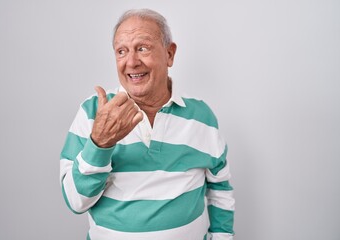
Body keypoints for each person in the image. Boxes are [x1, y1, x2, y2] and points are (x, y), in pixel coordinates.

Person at [60, 8, 235, 240]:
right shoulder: (92, 113)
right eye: (121, 51)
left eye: (142, 48)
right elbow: (75, 202)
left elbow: (220, 188)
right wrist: (99, 144)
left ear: (170, 54)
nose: (131, 62)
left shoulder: (202, 116)